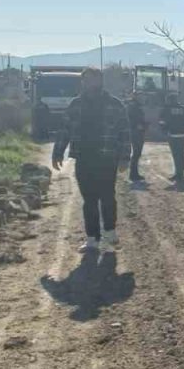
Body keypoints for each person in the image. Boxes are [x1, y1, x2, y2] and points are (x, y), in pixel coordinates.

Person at [52, 68, 130, 253]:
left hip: (107, 158)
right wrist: (57, 153)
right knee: (89, 200)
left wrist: (125, 158)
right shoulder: (76, 105)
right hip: (84, 157)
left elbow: (124, 133)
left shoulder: (114, 104)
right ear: (83, 83)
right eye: (86, 80)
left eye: (94, 80)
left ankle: (110, 232)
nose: (90, 84)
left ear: (100, 81)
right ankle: (92, 239)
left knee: (107, 197)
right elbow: (64, 129)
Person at [158, 93, 184, 183]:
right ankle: (181, 174)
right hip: (183, 134)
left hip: (173, 135)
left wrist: (164, 131)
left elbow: (162, 121)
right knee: (181, 155)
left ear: (169, 100)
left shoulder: (166, 109)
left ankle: (178, 175)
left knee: (176, 155)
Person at [125, 94, 146, 182]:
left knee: (137, 154)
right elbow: (131, 119)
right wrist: (138, 125)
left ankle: (134, 173)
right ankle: (133, 174)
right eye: (141, 97)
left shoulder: (135, 106)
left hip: (137, 131)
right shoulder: (133, 106)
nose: (143, 98)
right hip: (135, 132)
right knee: (136, 153)